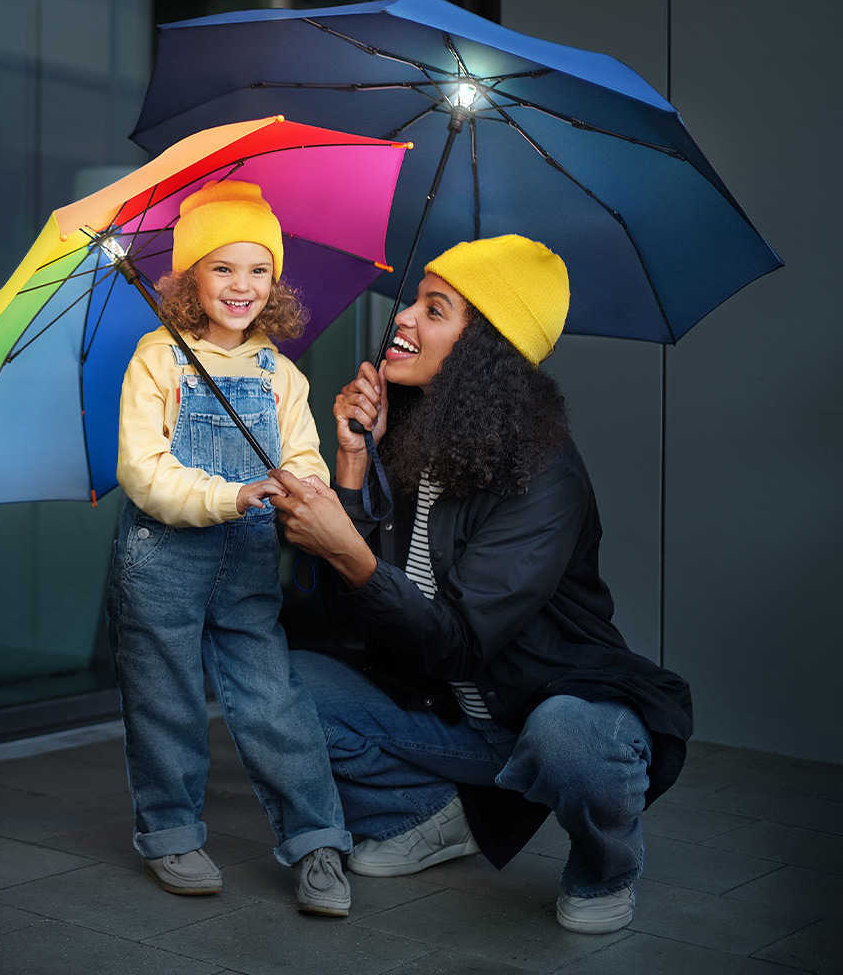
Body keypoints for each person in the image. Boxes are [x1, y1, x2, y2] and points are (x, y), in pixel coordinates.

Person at [270, 234, 693, 934]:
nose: (402, 318)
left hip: (552, 709)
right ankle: (436, 817)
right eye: (414, 301)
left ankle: (604, 871)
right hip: (450, 719)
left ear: (482, 351)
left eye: (434, 310)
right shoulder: (408, 440)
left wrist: (353, 551)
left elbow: (459, 644)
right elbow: (334, 623)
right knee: (278, 681)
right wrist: (349, 466)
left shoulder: (545, 475)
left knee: (568, 741)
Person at [107, 179, 352, 917]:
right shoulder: (158, 359)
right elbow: (143, 472)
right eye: (221, 267)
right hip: (161, 561)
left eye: (258, 269)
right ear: (190, 278)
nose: (241, 286)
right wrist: (231, 495)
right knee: (165, 701)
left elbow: (304, 454)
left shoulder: (282, 374)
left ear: (275, 283)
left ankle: (318, 841)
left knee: (272, 699)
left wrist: (303, 486)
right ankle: (171, 832)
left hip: (246, 562)